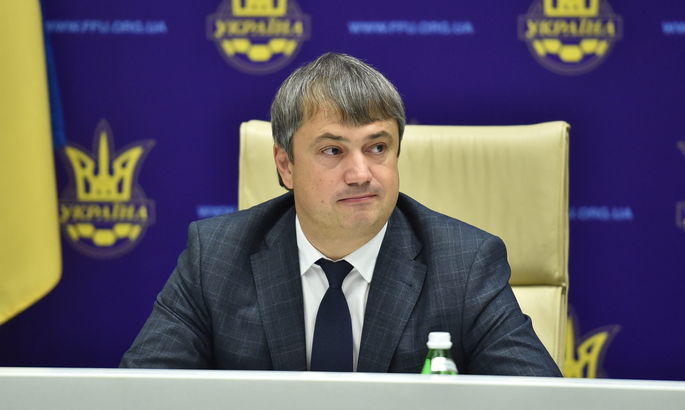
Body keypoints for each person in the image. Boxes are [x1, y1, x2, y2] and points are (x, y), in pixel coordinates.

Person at [120, 52, 561, 376]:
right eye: (333, 150)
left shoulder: (464, 264)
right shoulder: (215, 257)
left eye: (378, 147)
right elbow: (142, 394)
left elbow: (539, 401)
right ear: (285, 165)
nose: (361, 174)